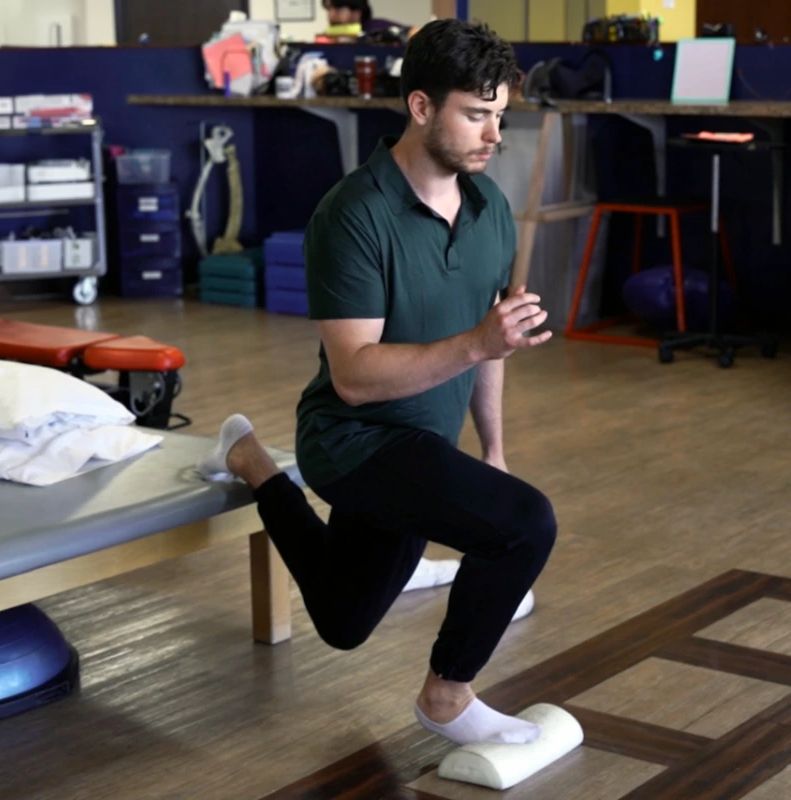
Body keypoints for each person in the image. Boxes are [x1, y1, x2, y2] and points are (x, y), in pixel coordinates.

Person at [197, 18, 557, 748]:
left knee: (342, 620)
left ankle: (254, 463)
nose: (493, 135)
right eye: (475, 114)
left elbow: (490, 348)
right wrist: (478, 341)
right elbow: (356, 378)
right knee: (524, 525)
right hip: (354, 438)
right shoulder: (353, 215)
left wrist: (492, 448)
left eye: (500, 117)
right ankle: (447, 698)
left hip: (425, 438)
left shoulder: (489, 214)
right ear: (421, 107)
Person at [321, 0, 406, 34]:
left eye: (337, 8)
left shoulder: (378, 27)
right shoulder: (327, 36)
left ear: (357, 12)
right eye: (328, 9)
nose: (331, 15)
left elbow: (412, 32)